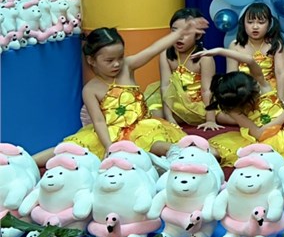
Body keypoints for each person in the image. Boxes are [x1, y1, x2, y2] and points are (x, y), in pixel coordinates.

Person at [35, 20, 207, 165]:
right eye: (109, 60)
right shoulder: (90, 89)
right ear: (91, 60)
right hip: (109, 133)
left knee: (155, 143)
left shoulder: (127, 67)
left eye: (120, 57)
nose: (117, 64)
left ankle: (182, 155)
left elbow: (153, 49)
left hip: (141, 126)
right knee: (70, 147)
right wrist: (109, 147)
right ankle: (27, 160)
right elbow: (99, 121)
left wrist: (179, 33)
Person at [144, 8, 215, 128]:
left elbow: (207, 90)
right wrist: (169, 118)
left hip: (199, 104)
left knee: (223, 115)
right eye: (175, 32)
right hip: (175, 105)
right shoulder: (165, 54)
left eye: (185, 34)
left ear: (198, 36)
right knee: (150, 114)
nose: (179, 37)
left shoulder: (205, 57)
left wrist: (210, 120)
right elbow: (165, 86)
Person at [226, 3, 284, 108]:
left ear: (269, 24)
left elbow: (280, 73)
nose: (255, 27)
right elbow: (231, 76)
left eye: (261, 22)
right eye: (250, 22)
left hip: (270, 87)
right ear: (244, 24)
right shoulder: (235, 45)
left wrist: (281, 101)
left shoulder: (276, 44)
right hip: (245, 90)